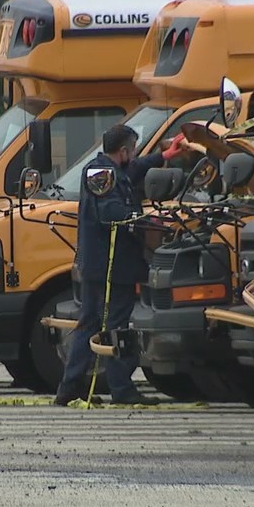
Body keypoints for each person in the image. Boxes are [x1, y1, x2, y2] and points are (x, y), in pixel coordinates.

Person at [55, 124, 188, 406]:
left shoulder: (111, 170)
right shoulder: (101, 174)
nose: (135, 155)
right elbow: (111, 213)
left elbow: (134, 170)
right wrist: (145, 220)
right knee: (115, 327)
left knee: (90, 322)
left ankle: (70, 386)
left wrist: (164, 156)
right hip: (111, 266)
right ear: (124, 150)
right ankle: (121, 389)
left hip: (102, 265)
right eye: (134, 150)